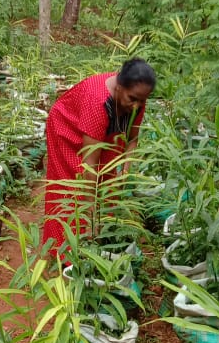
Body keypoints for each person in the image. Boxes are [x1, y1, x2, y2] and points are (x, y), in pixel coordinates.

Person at [42, 57, 156, 257]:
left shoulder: (136, 97)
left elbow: (132, 140)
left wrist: (124, 176)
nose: (137, 106)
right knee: (71, 189)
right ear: (119, 86)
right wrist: (91, 215)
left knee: (109, 180)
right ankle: (65, 254)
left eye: (142, 101)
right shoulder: (98, 100)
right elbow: (90, 163)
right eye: (133, 99)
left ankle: (101, 238)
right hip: (66, 129)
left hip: (99, 133)